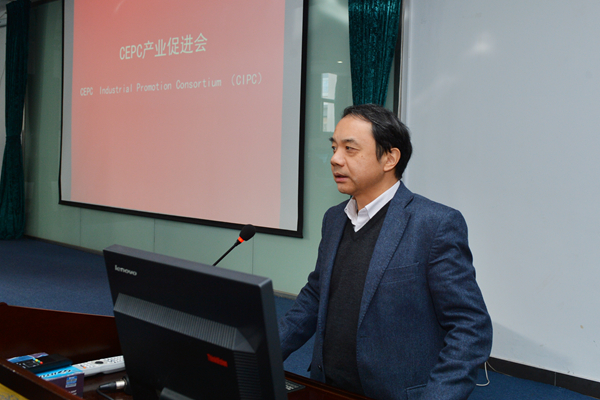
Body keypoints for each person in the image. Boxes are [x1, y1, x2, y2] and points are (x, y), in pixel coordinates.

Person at [278, 104, 493, 400]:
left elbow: (470, 327)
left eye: (350, 149)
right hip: (328, 386)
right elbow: (316, 295)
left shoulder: (434, 224)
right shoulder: (334, 218)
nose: (335, 159)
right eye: (334, 147)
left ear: (390, 158)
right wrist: (260, 354)